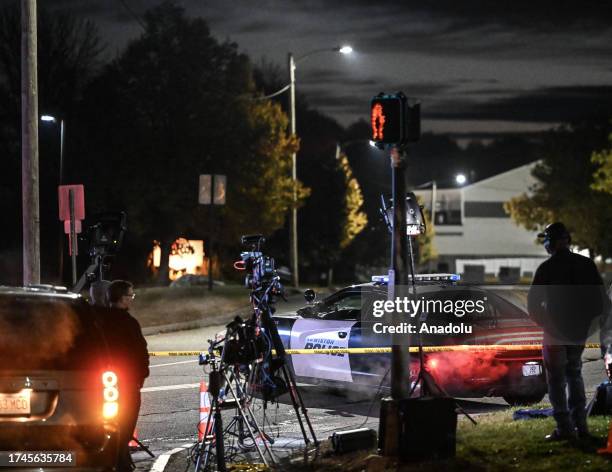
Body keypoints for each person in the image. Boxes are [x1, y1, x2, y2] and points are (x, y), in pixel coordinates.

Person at [528, 222, 607, 441]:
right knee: (575, 374)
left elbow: (533, 305)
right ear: (568, 240)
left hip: (554, 333)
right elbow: (600, 302)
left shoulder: (547, 268)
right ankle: (581, 426)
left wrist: (547, 325)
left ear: (550, 243)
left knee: (556, 380)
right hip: (578, 332)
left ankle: (564, 428)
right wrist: (587, 326)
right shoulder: (586, 265)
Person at [99, 280, 149, 471]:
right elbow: (140, 352)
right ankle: (120, 461)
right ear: (122, 298)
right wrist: (141, 377)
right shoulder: (129, 323)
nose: (132, 299)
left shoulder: (98, 321)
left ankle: (114, 458)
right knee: (125, 424)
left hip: (100, 383)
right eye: (131, 295)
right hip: (127, 383)